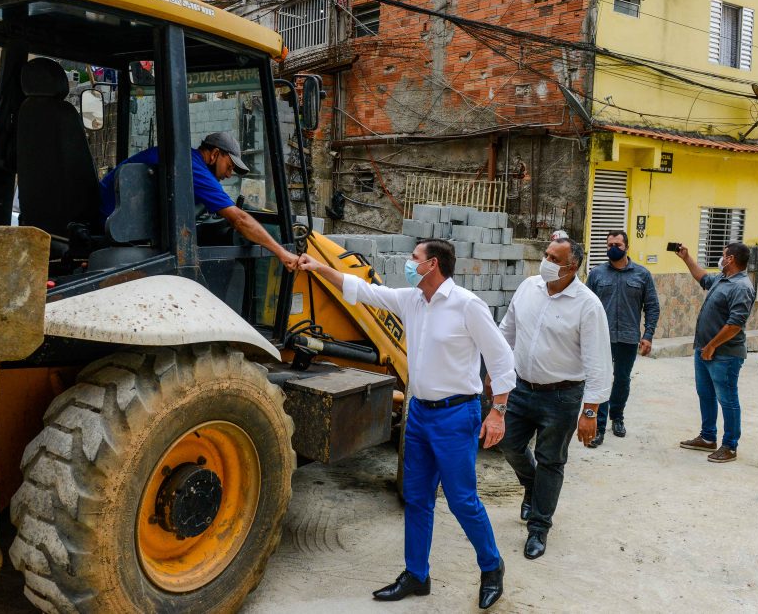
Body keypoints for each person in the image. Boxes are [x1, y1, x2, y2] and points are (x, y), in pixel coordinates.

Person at [297, 239, 515, 610]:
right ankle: (417, 574)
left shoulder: (466, 305)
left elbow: (501, 358)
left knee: (462, 501)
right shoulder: (411, 300)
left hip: (456, 415)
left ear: (432, 264)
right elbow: (361, 289)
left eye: (413, 258)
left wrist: (498, 411)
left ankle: (492, 567)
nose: (407, 263)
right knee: (416, 498)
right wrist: (318, 268)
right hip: (420, 414)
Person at [496, 237, 611, 560]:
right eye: (545, 254)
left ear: (571, 267)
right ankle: (533, 487)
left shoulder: (587, 305)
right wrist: (496, 369)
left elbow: (598, 361)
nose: (544, 260)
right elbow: (507, 331)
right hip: (520, 389)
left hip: (561, 397)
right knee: (507, 444)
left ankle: (539, 527)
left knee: (551, 461)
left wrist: (590, 412)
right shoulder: (529, 287)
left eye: (552, 257)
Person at [98, 132, 299, 270]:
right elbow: (239, 219)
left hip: (112, 221)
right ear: (215, 154)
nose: (229, 175)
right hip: (109, 224)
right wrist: (281, 252)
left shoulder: (186, 160)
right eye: (229, 166)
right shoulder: (191, 166)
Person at [674, 242, 755, 463]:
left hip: (725, 354)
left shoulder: (742, 286)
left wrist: (712, 346)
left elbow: (735, 324)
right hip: (704, 350)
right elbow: (703, 278)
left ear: (730, 259)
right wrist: (686, 258)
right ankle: (708, 437)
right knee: (706, 394)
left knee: (727, 399)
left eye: (723, 255)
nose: (720, 258)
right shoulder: (722, 278)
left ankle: (729, 446)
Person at [584, 230, 660, 447]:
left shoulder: (642, 275)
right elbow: (585, 305)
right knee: (600, 380)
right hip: (601, 338)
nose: (613, 248)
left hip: (628, 337)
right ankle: (598, 426)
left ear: (627, 246)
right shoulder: (597, 274)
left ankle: (617, 417)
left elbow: (652, 306)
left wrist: (648, 335)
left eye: (617, 244)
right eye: (609, 245)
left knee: (622, 380)